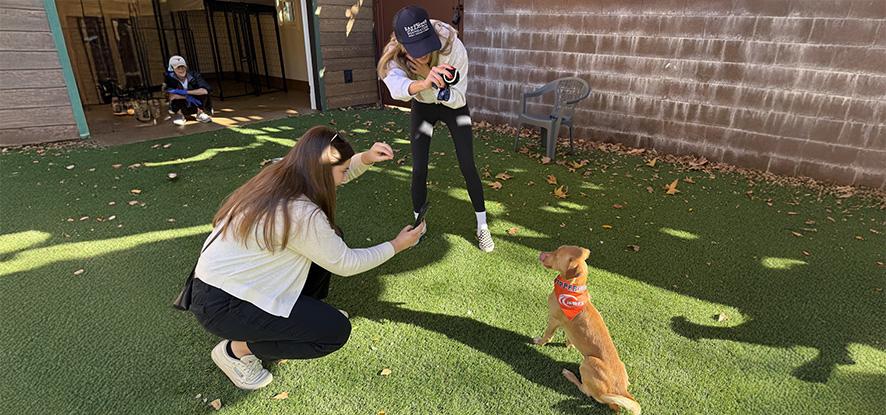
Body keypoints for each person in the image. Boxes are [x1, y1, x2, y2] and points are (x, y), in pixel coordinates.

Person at [189, 126, 425, 390]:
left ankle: (298, 316)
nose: (345, 176)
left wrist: (366, 158)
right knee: (333, 332)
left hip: (221, 284)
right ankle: (237, 351)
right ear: (321, 171)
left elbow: (336, 171)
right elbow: (346, 263)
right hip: (223, 304)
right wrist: (396, 245)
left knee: (332, 237)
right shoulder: (301, 213)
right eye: (343, 171)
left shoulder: (282, 173)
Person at [376, 6, 494, 253]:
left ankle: (482, 225)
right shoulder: (393, 55)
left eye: (426, 45)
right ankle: (419, 225)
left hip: (454, 107)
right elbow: (396, 89)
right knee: (419, 167)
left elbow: (459, 98)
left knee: (467, 164)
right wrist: (425, 82)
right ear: (402, 45)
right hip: (423, 106)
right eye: (415, 50)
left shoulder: (453, 47)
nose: (424, 54)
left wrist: (431, 75)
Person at [164, 55, 212, 126]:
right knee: (175, 98)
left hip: (196, 104)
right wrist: (187, 97)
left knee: (202, 94)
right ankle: (180, 115)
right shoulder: (169, 78)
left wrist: (185, 92)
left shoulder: (195, 75)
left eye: (182, 66)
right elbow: (170, 96)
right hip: (182, 105)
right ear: (172, 69)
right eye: (178, 67)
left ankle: (200, 113)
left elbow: (205, 90)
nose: (181, 69)